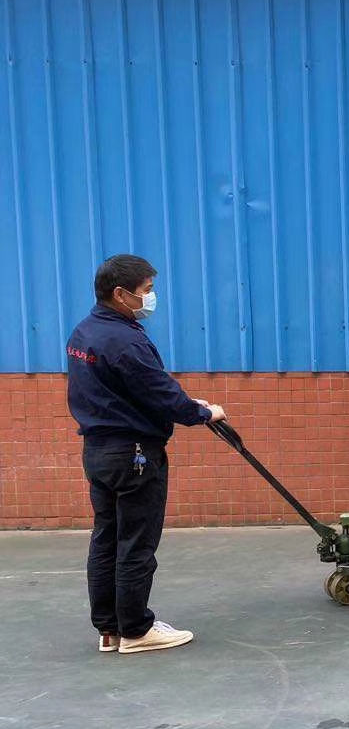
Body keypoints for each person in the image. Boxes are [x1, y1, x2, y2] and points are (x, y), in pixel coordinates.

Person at [67, 255, 225, 655]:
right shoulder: (125, 340)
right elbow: (158, 390)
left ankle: (109, 629)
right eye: (147, 290)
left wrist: (183, 404)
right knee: (136, 543)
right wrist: (202, 413)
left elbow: (125, 390)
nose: (151, 298)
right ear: (121, 294)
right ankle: (137, 630)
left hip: (98, 451)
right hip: (133, 454)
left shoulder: (85, 332)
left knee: (106, 539)